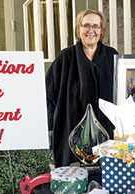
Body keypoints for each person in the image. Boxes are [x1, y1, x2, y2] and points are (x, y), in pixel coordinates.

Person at [46, 9, 119, 167]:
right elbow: (48, 95)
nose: (91, 30)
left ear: (102, 30)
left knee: (106, 180)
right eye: (86, 25)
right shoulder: (65, 58)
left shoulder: (113, 56)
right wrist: (48, 128)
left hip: (107, 133)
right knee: (75, 182)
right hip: (70, 133)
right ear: (78, 30)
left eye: (96, 26)